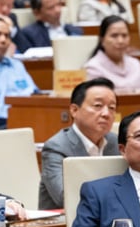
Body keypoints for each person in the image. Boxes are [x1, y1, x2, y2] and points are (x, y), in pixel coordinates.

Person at [38, 78, 119, 210]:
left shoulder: (116, 142)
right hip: (66, 225)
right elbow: (65, 197)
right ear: (74, 110)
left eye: (112, 108)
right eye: (98, 106)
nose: (106, 114)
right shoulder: (56, 147)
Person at [85, 16, 140, 92]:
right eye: (114, 36)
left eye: (124, 35)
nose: (120, 41)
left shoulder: (136, 64)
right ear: (102, 40)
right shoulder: (93, 68)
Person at [18, 0, 83, 48]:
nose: (57, 10)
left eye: (59, 4)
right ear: (37, 13)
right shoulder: (29, 34)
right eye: (51, 7)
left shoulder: (75, 30)